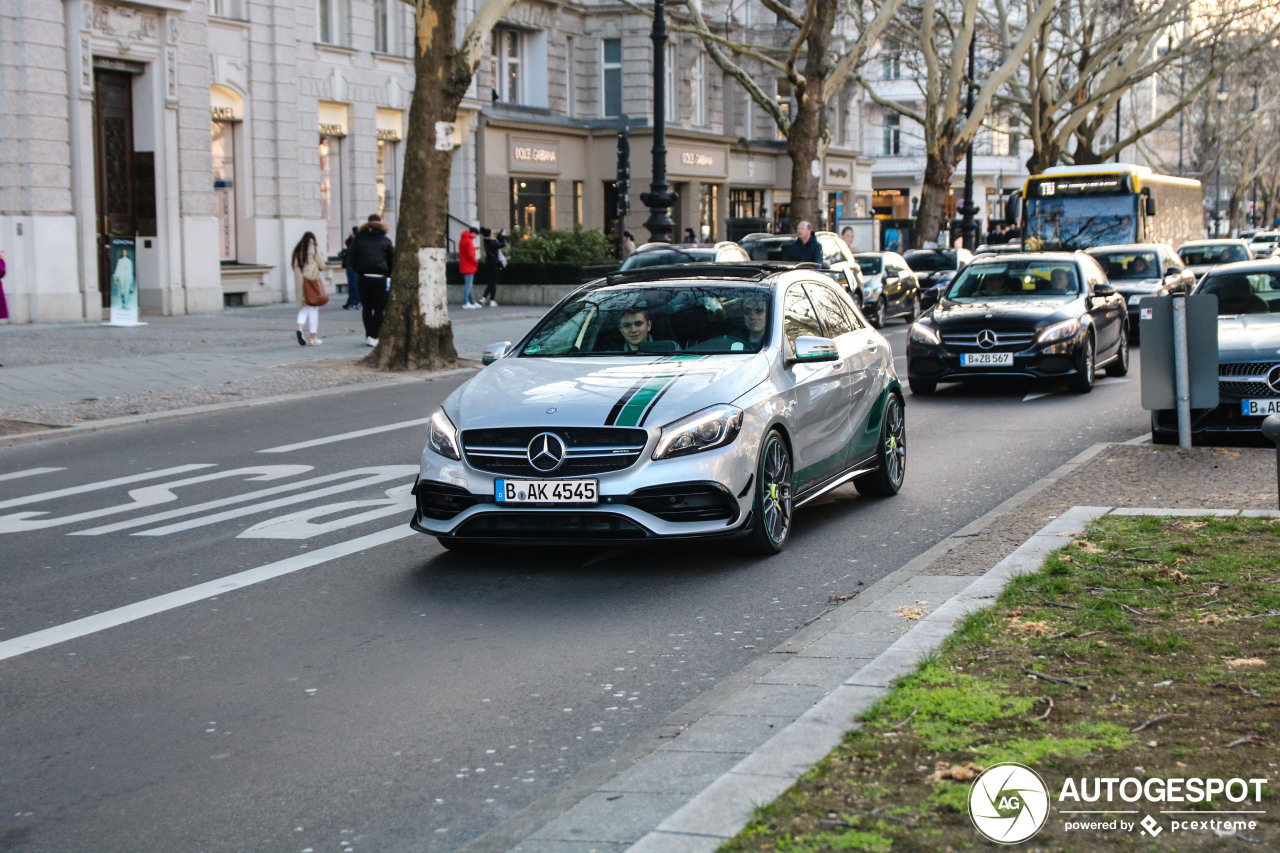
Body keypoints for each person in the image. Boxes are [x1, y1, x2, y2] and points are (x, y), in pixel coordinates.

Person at [347, 214, 394, 346]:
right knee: (379, 308)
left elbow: (352, 257)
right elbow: (391, 258)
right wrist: (389, 273)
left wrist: (359, 270)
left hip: (364, 276)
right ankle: (374, 335)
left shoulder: (359, 239)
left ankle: (369, 334)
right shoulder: (385, 239)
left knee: (367, 307)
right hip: (380, 276)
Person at [290, 231, 324, 346]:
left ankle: (300, 328)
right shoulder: (314, 249)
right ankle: (313, 337)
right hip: (312, 281)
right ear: (313, 240)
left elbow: (293, 267)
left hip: (300, 282)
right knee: (313, 309)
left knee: (304, 307)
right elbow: (322, 265)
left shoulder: (297, 250)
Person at [480, 226, 507, 307]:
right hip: (495, 264)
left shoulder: (486, 241)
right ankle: (491, 300)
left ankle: (484, 298)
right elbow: (502, 244)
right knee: (493, 283)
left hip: (489, 264)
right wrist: (504, 236)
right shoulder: (491, 243)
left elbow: (498, 242)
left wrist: (500, 235)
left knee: (491, 282)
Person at [459, 225, 480, 308]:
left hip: (464, 264)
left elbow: (466, 250)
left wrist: (474, 248)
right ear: (473, 233)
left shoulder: (463, 239)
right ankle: (465, 302)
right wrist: (475, 261)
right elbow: (470, 255)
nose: (475, 237)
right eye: (476, 235)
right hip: (468, 265)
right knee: (468, 285)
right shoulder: (468, 240)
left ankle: (472, 301)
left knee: (469, 284)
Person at [341, 226, 361, 310]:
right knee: (353, 285)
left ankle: (355, 302)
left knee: (354, 285)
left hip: (354, 265)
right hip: (352, 265)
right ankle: (353, 301)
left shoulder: (357, 240)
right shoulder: (352, 241)